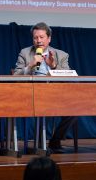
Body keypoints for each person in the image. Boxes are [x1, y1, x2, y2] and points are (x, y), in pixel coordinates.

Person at [14, 22, 75, 153]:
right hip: (32, 92)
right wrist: (30, 65)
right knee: (43, 106)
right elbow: (16, 75)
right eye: (35, 38)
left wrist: (53, 67)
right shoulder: (25, 53)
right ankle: (40, 143)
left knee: (74, 109)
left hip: (55, 93)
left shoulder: (61, 55)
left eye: (41, 37)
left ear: (49, 38)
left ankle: (55, 140)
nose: (38, 41)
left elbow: (68, 77)